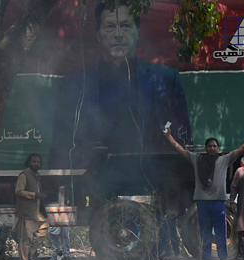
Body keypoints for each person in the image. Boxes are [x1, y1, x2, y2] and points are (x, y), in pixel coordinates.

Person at [48, 1, 192, 168]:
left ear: (137, 32)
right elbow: (59, 150)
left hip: (153, 184)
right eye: (109, 26)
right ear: (98, 35)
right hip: (92, 186)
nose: (118, 34)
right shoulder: (73, 84)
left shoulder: (166, 79)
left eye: (125, 25)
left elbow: (184, 144)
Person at [164, 123, 244, 260]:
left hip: (218, 203)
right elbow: (180, 149)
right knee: (205, 233)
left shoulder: (224, 160)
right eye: (209, 146)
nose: (212, 148)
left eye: (215, 146)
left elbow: (241, 149)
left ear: (218, 148)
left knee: (221, 233)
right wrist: (169, 136)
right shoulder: (197, 159)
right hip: (202, 203)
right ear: (205, 148)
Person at [14, 154, 50, 260]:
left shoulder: (36, 175)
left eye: (38, 162)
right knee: (25, 237)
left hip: (36, 210)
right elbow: (19, 191)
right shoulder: (24, 175)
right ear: (29, 163)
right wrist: (34, 195)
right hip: (27, 210)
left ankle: (31, 254)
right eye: (34, 162)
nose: (36, 164)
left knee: (44, 227)